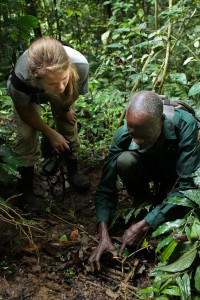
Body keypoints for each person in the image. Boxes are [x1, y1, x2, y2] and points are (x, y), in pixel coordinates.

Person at [89, 90, 200, 271]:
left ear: (161, 122)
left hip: (176, 175)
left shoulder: (185, 125)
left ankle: (154, 209)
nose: (137, 140)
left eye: (144, 135)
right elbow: (105, 187)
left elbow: (187, 186)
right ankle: (143, 201)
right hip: (150, 168)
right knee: (124, 160)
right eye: (133, 134)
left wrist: (146, 223)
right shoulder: (124, 134)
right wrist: (103, 233)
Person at [7, 36, 90, 212]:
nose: (60, 86)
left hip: (60, 78)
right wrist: (49, 133)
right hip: (29, 92)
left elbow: (71, 91)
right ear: (36, 77)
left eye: (63, 79)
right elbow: (24, 110)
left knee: (68, 125)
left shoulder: (80, 65)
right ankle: (26, 189)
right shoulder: (20, 79)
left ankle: (73, 172)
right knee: (26, 135)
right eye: (53, 83)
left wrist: (65, 109)